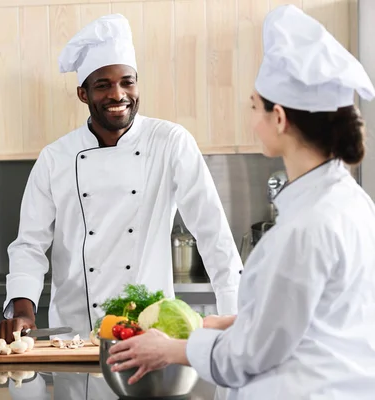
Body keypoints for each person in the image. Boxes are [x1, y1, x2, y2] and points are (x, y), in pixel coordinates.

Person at [107, 5, 375, 399]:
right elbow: (312, 319)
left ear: (279, 118)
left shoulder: (305, 228)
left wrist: (172, 350)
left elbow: (248, 357)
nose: (250, 119)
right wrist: (231, 323)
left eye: (253, 106)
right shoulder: (351, 202)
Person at [0, 14, 242, 343]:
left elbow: (213, 233)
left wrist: (235, 316)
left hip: (151, 332)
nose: (118, 94)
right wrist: (23, 309)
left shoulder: (169, 142)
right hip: (75, 333)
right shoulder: (55, 158)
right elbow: (29, 245)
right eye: (103, 85)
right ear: (83, 94)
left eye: (127, 81)